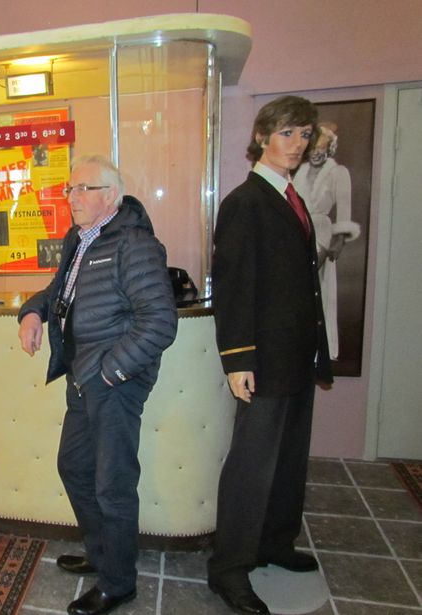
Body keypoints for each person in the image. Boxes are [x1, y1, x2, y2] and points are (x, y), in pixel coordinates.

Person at [17, 155, 177, 615]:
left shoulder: (135, 244)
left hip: (113, 383)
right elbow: (58, 292)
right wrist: (32, 312)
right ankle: (103, 555)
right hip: (83, 378)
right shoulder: (79, 239)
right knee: (74, 467)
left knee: (113, 485)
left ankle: (118, 582)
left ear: (111, 196)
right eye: (69, 189)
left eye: (82, 189)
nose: (71, 198)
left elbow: (159, 321)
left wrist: (111, 372)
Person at [207, 96, 333, 615]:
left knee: (288, 460)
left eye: (304, 135)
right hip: (262, 361)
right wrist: (238, 360)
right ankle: (229, 568)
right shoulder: (246, 202)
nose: (297, 144)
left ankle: (275, 543)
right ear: (261, 137)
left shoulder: (290, 196)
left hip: (296, 356)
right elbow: (234, 286)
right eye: (286, 134)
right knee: (251, 467)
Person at [293, 122, 361, 360]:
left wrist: (339, 240)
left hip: (321, 229)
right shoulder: (298, 171)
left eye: (321, 148)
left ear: (329, 149)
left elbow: (344, 208)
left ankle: (320, 346)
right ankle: (299, 342)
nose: (316, 153)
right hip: (298, 230)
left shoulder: (337, 173)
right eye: (313, 147)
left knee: (315, 286)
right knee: (297, 288)